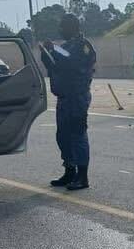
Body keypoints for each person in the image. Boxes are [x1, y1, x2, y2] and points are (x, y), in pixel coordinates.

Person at [39, 14, 96, 191]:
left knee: (77, 134)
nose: (60, 30)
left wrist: (54, 50)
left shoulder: (83, 46)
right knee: (63, 136)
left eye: (63, 27)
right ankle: (70, 170)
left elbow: (72, 62)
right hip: (64, 97)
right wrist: (46, 53)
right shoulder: (65, 46)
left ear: (73, 27)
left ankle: (82, 176)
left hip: (77, 96)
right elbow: (54, 65)